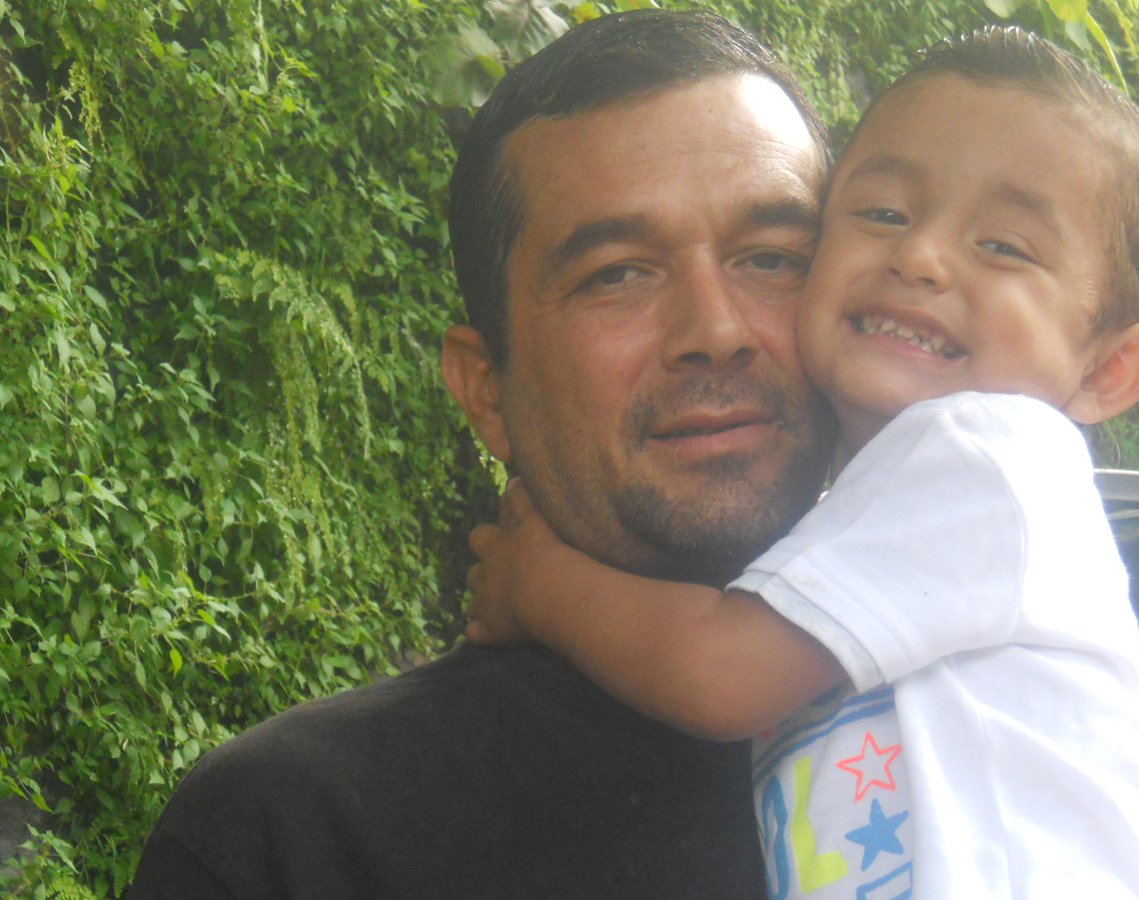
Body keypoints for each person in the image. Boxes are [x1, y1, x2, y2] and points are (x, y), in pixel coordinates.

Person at [465, 27, 1139, 898]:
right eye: (882, 214)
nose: (918, 257)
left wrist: (537, 583)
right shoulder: (883, 523)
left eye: (1004, 246)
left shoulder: (992, 457)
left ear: (1111, 369)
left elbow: (721, 673)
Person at [127, 10, 837, 898]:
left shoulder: (996, 696)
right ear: (486, 391)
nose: (716, 330)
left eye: (772, 258)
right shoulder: (299, 838)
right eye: (617, 274)